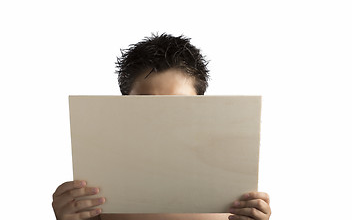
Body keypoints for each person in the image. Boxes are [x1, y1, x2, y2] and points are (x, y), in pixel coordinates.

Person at [52, 33, 272, 220]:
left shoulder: (230, 206)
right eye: (146, 106)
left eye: (179, 106)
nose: (163, 121)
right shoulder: (96, 204)